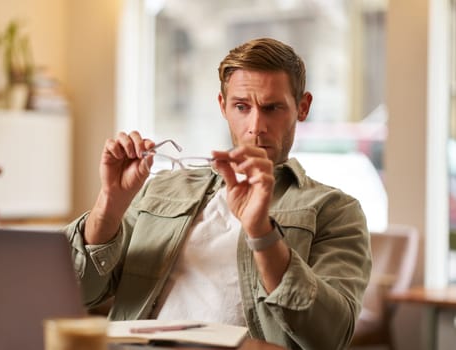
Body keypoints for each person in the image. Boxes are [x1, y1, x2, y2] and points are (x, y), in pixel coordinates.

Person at [65, 37, 371, 350]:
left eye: (272, 108)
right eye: (242, 107)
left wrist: (262, 234)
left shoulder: (335, 210)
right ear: (222, 106)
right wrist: (109, 205)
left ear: (302, 107)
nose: (256, 126)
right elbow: (74, 292)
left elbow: (329, 336)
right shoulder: (163, 188)